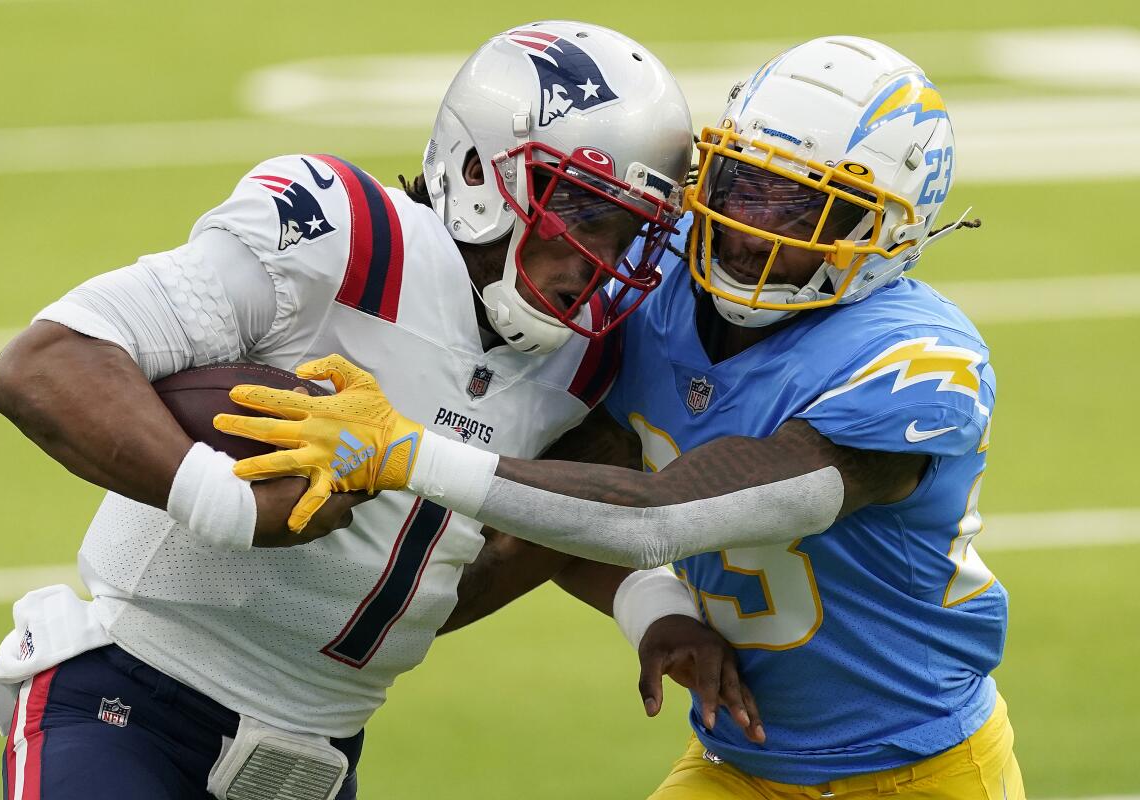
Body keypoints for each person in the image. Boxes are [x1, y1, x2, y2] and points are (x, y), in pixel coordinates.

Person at [229, 36, 1025, 799]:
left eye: (803, 210)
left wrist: (408, 453)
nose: (751, 230)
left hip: (926, 771)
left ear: (887, 237)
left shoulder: (917, 364)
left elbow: (657, 517)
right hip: (742, 765)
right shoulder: (656, 277)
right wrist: (343, 646)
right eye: (742, 184)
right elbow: (560, 505)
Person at [0, 21, 746, 800]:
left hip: (314, 761)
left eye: (632, 234)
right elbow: (50, 361)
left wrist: (654, 607)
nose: (604, 262)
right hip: (131, 700)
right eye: (584, 213)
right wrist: (228, 502)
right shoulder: (346, 240)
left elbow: (542, 522)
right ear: (482, 172)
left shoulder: (587, 357)